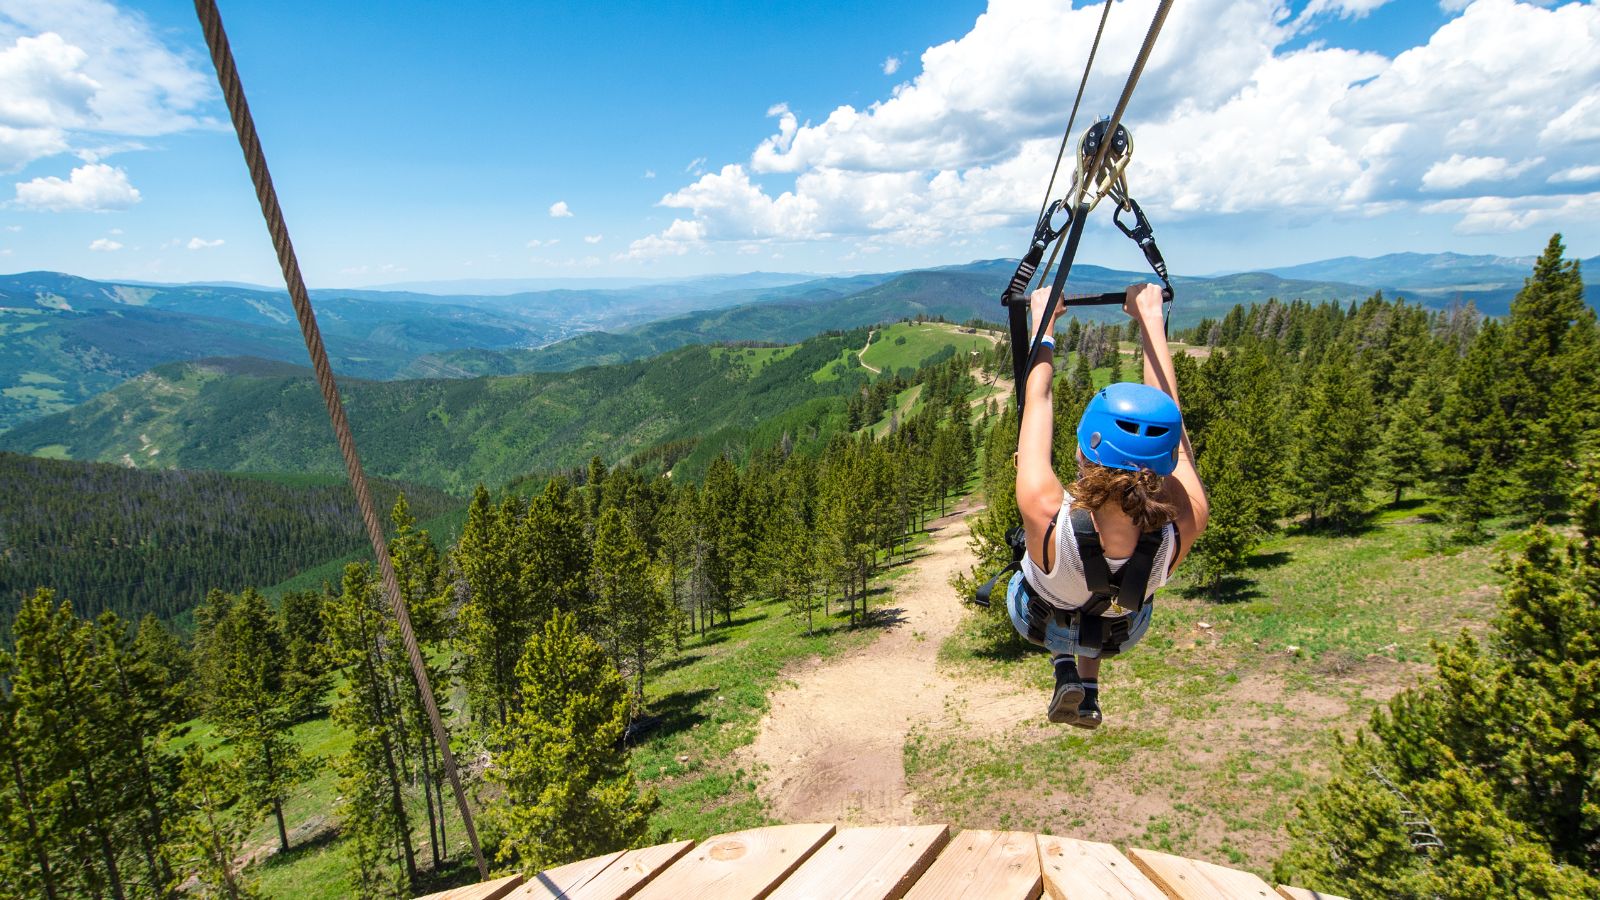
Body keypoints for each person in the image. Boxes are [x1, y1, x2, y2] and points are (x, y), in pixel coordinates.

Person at [1007, 282, 1208, 728]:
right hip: (1122, 629)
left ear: (1084, 452)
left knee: (1049, 587)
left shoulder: (1044, 508)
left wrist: (1045, 326)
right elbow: (1177, 439)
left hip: (1038, 617)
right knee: (1103, 598)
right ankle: (1089, 689)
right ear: (1166, 458)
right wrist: (1152, 321)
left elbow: (1037, 401)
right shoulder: (1187, 517)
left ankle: (1065, 669)